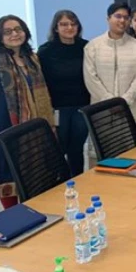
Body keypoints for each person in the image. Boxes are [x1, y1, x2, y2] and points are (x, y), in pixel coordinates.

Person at [0, 15, 54, 208]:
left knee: (36, 172)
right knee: (9, 172)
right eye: (8, 31)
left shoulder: (32, 59)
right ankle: (13, 215)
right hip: (5, 125)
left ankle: (37, 209)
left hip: (35, 127)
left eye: (18, 29)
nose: (15, 34)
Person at [84, 2, 136, 140]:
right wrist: (110, 102)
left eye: (126, 18)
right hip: (102, 112)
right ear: (108, 18)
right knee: (106, 157)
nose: (122, 21)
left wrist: (124, 101)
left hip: (133, 111)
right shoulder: (93, 47)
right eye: (118, 16)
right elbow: (91, 78)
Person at [37, 10, 90, 177]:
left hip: (81, 105)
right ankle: (60, 185)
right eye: (64, 24)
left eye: (73, 24)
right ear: (56, 28)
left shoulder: (86, 47)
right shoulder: (46, 51)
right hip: (58, 108)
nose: (69, 27)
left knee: (77, 148)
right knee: (59, 148)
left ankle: (77, 182)